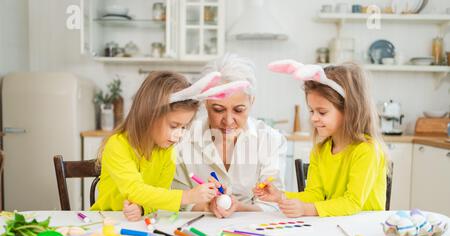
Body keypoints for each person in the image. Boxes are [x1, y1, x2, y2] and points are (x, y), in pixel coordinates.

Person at [91, 71, 245, 221]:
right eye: (173, 126)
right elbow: (135, 190)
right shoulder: (117, 145)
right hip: (104, 220)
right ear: (150, 116)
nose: (179, 135)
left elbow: (159, 199)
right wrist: (188, 196)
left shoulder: (167, 152)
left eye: (183, 127)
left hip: (135, 224)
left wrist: (142, 209)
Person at [254, 60, 389, 217]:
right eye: (312, 111)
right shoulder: (320, 150)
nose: (314, 118)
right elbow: (314, 195)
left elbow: (352, 202)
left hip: (365, 230)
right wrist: (280, 196)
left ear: (348, 111)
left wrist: (306, 209)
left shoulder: (367, 150)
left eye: (322, 112)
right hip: (336, 225)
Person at [172, 54, 287, 218]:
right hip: (198, 227)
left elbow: (274, 204)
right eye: (218, 109)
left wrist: (239, 207)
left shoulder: (271, 140)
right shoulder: (183, 138)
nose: (228, 120)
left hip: (253, 229)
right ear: (206, 102)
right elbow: (176, 199)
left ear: (251, 102)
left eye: (239, 110)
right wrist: (205, 206)